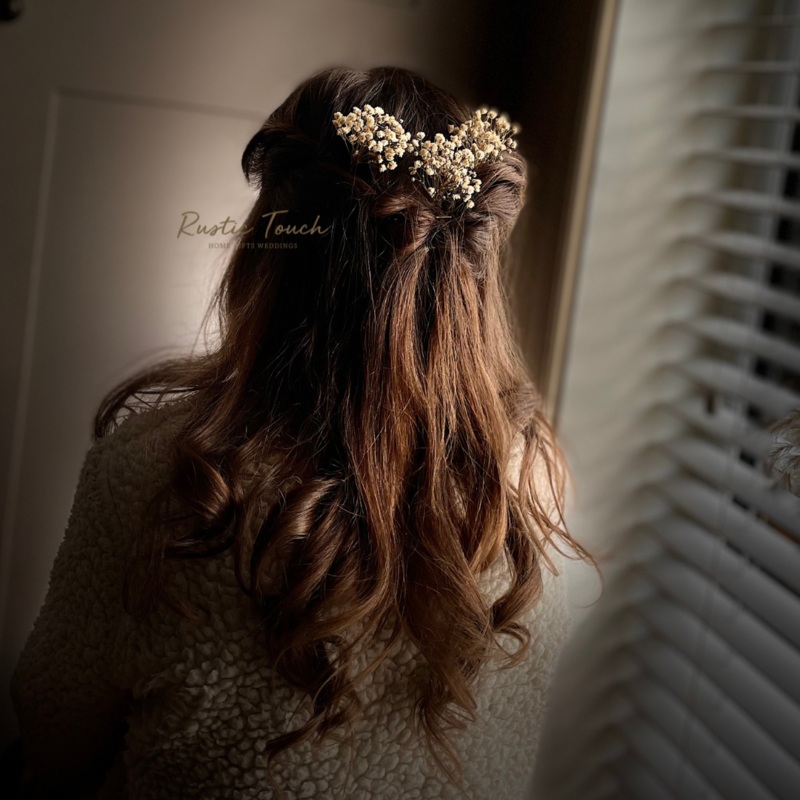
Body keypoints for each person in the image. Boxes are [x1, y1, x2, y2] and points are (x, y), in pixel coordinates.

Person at [9, 65, 591, 799]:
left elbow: (55, 733)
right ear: (470, 266)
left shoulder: (168, 475)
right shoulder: (532, 479)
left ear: (270, 247)